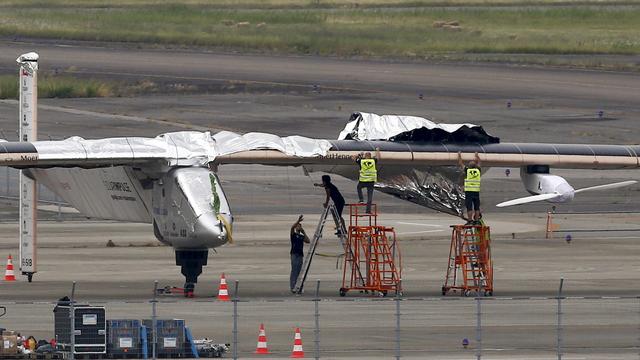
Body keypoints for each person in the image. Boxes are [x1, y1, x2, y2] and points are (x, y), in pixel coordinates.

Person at [353, 148, 380, 213]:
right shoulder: (373, 161)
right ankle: (368, 210)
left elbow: (353, 158)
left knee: (358, 188)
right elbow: (378, 157)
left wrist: (359, 154)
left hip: (363, 180)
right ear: (370, 156)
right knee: (370, 196)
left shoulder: (361, 161)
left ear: (365, 156)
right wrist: (377, 150)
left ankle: (361, 199)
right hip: (371, 181)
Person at [458, 151, 482, 223]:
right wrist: (477, 156)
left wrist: (459, 155)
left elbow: (460, 164)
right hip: (476, 191)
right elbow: (480, 162)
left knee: (469, 207)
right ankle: (477, 220)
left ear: (469, 166)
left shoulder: (467, 171)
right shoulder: (478, 170)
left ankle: (470, 220)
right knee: (477, 207)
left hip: (469, 191)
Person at [290, 215, 310, 293]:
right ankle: (293, 286)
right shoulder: (293, 235)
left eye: (300, 226)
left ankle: (298, 286)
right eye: (298, 226)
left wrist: (303, 232)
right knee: (294, 270)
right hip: (294, 254)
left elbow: (308, 241)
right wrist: (298, 221)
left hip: (300, 255)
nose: (298, 227)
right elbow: (292, 228)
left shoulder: (301, 236)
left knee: (299, 271)